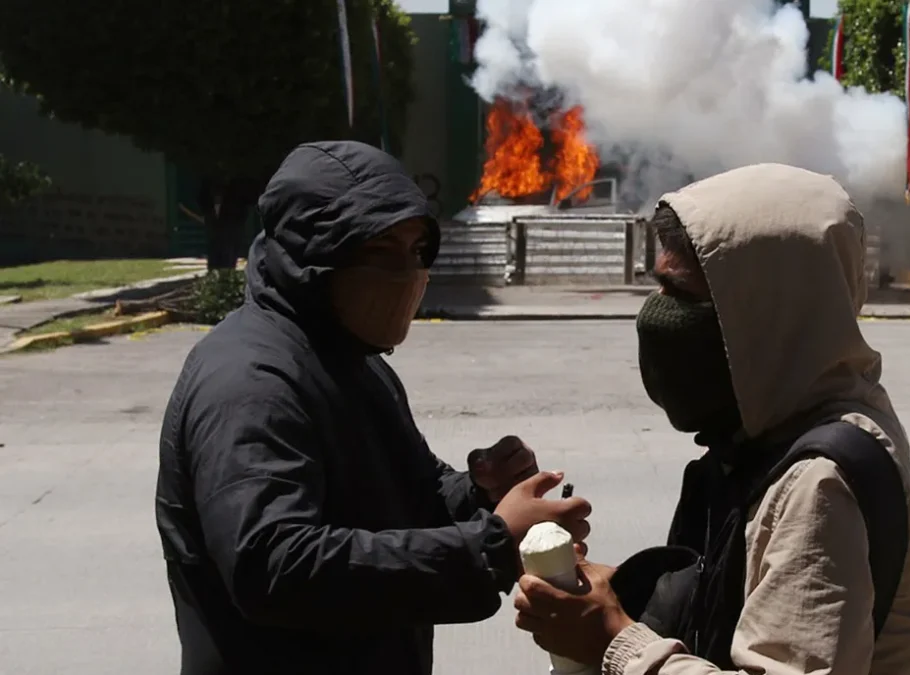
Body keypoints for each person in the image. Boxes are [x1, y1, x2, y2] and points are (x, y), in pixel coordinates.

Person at [155, 140, 591, 675]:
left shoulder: (351, 357)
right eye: (382, 254)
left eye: (416, 253)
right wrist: (491, 544)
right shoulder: (250, 381)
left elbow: (404, 491)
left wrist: (479, 491)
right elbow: (274, 566)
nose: (408, 275)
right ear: (312, 256)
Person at [513, 164, 910, 675]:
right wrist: (613, 595)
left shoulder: (820, 481)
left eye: (681, 296)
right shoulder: (776, 425)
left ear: (765, 316)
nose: (656, 317)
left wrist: (615, 642)